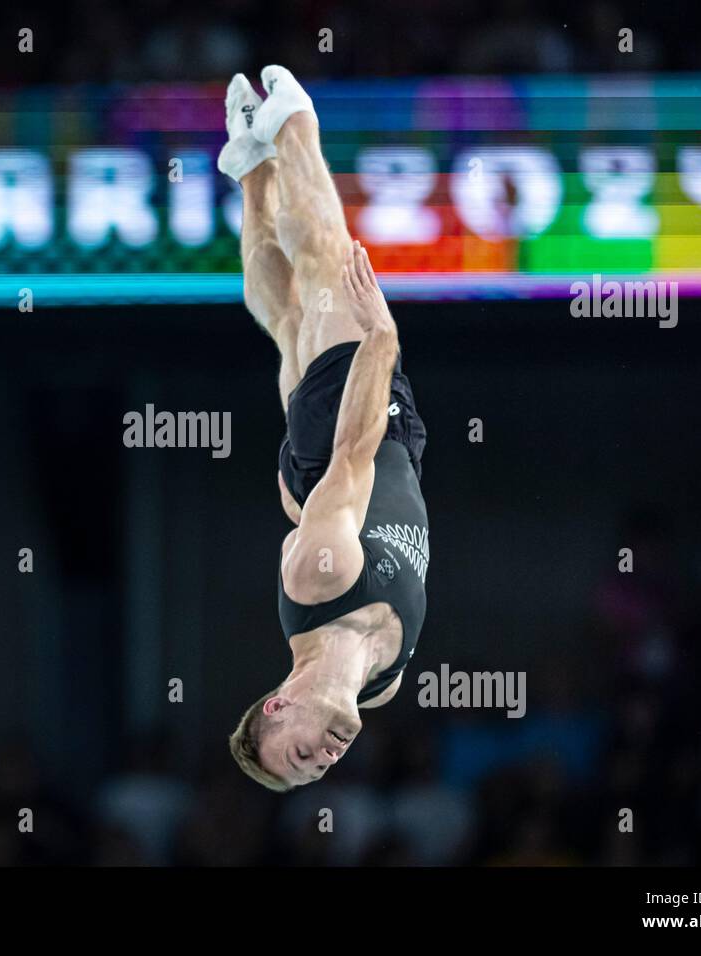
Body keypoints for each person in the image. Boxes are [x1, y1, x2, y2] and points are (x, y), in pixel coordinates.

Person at [220, 67, 430, 791]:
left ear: (280, 706)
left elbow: (354, 450)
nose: (324, 760)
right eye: (316, 772)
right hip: (323, 488)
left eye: (299, 753)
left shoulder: (322, 579)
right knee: (285, 326)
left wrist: (379, 342)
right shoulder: (384, 685)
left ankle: (293, 122)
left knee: (328, 270)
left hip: (358, 445)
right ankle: (250, 170)